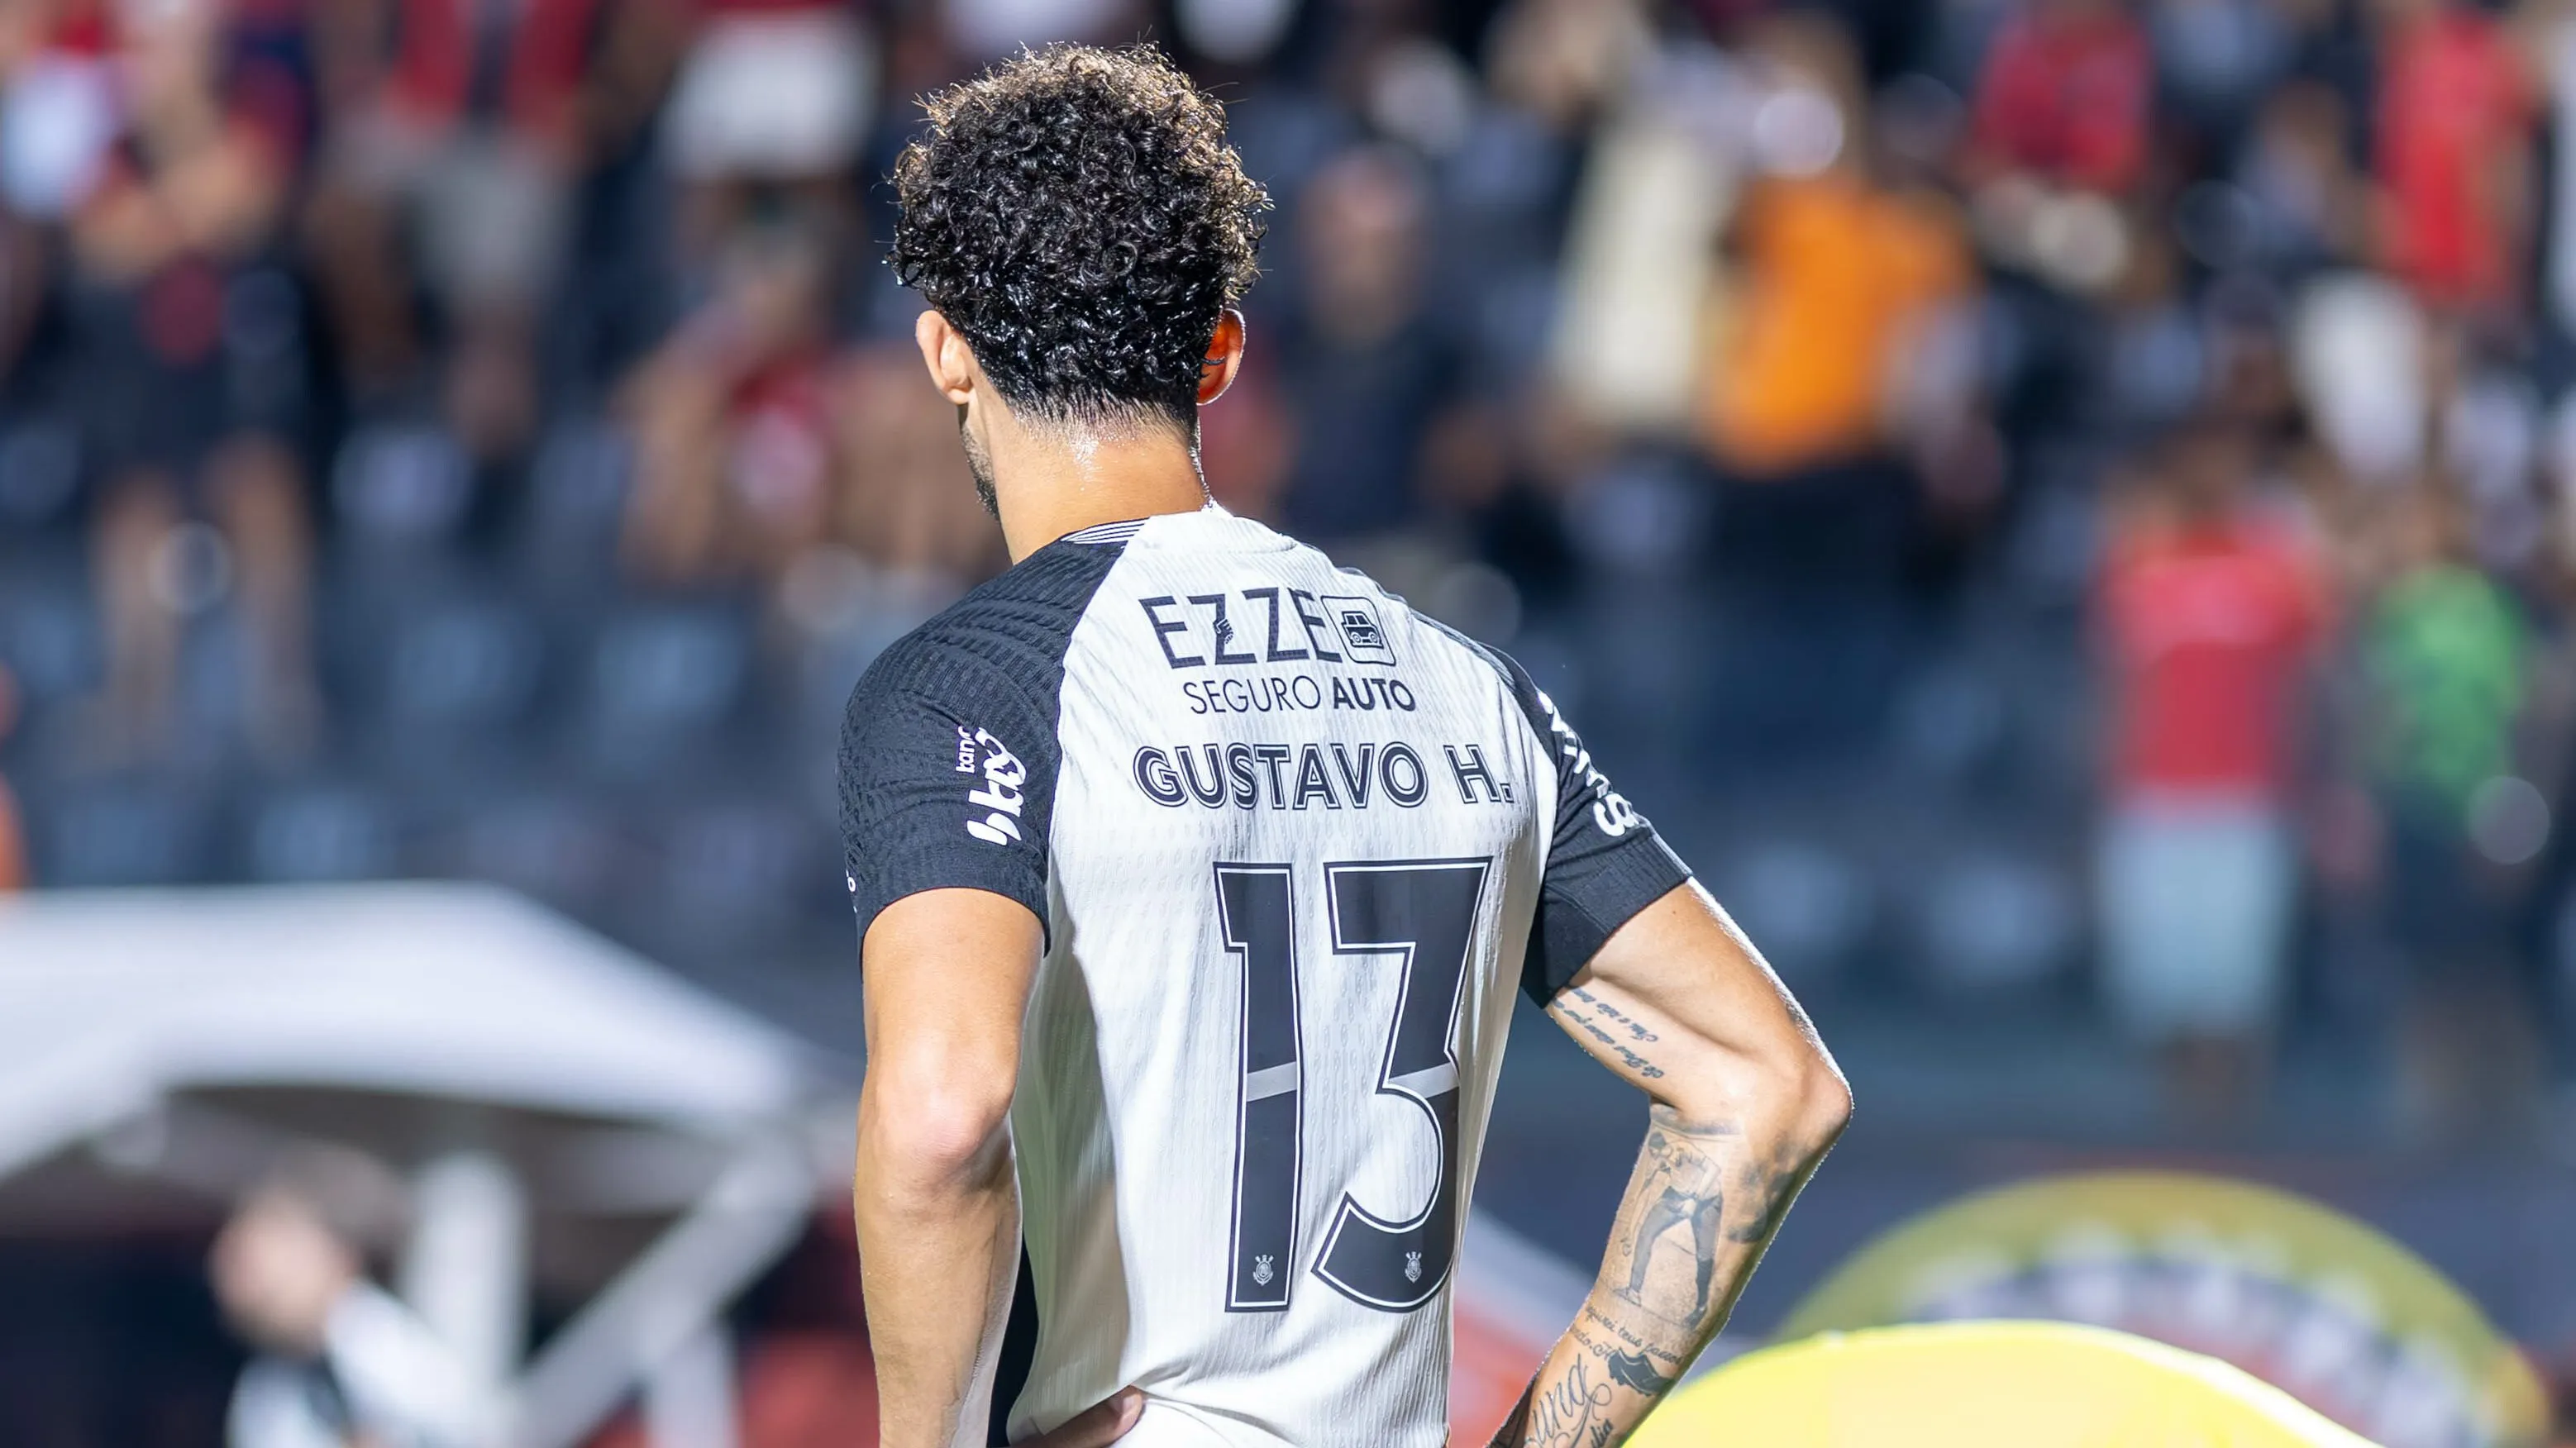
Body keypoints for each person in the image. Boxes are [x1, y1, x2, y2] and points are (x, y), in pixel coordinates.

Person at [841, 45, 1852, 1448]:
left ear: (945, 347)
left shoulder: (975, 681)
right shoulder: (1462, 679)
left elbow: (946, 1116)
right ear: (1222, 354)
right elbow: (1769, 1084)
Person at [2094, 418, 2330, 1119]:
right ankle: (2173, 1144)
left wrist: (2318, 794)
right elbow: (2113, 690)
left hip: (2246, 806)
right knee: (2161, 994)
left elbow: (2307, 689)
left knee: (2239, 994)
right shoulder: (2139, 567)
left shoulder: (2276, 571)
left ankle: (2236, 1144)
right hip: (2153, 805)